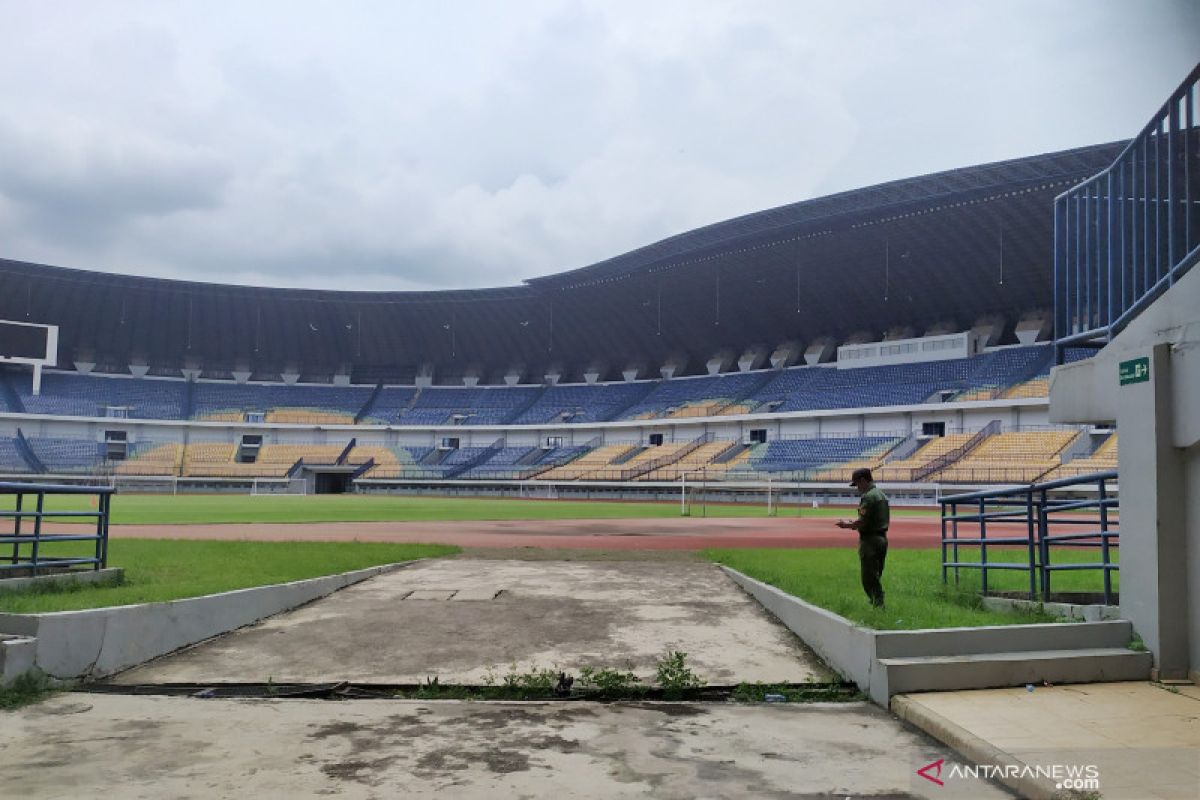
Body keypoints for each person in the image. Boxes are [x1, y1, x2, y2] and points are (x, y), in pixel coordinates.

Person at [835, 467, 889, 608]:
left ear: (863, 480)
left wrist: (847, 525)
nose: (857, 488)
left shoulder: (869, 496)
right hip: (882, 539)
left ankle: (878, 604)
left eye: (857, 483)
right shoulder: (881, 495)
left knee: (868, 577)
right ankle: (877, 602)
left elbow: (863, 521)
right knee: (876, 573)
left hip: (870, 540)